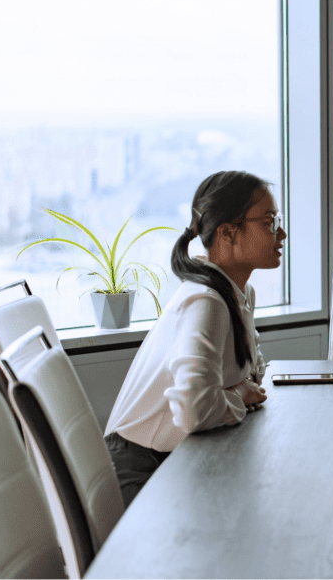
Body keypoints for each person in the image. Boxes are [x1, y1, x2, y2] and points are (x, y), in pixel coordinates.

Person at [104, 171, 286, 505]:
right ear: (228, 233)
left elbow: (252, 373)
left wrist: (239, 390)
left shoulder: (238, 293)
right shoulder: (206, 302)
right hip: (141, 467)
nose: (282, 233)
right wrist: (240, 396)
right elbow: (195, 411)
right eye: (270, 222)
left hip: (178, 453)